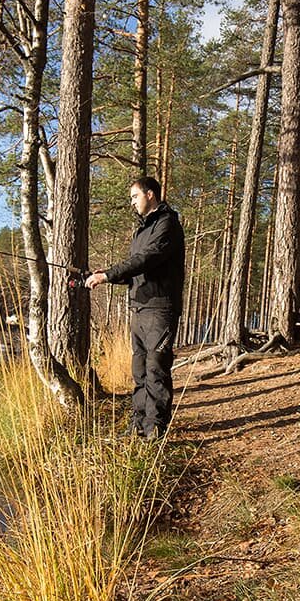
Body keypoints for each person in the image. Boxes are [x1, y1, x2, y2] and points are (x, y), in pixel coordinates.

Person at [86, 177, 185, 440]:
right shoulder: (142, 230)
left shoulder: (167, 224)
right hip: (139, 308)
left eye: (134, 196)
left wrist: (108, 275)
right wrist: (107, 275)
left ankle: (154, 432)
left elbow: (147, 259)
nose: (132, 202)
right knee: (139, 371)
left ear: (150, 194)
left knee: (156, 370)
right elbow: (136, 269)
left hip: (160, 308)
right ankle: (138, 426)